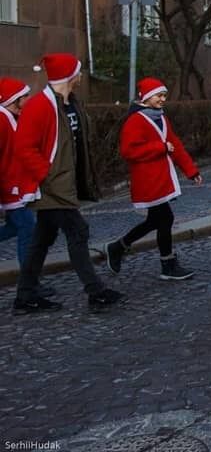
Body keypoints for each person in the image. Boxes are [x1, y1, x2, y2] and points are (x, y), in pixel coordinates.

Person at [12, 54, 124, 313]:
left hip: (63, 182)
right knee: (78, 231)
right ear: (69, 76)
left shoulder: (71, 103)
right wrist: (47, 175)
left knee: (42, 238)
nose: (81, 76)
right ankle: (95, 291)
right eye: (78, 71)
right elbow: (24, 147)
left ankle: (25, 294)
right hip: (53, 185)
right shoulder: (40, 106)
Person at [106, 78, 202, 280]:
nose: (162, 99)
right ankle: (167, 264)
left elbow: (175, 144)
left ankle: (118, 247)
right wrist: (160, 147)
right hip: (148, 180)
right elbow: (129, 151)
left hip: (160, 178)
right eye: (159, 95)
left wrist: (191, 171)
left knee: (156, 220)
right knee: (165, 218)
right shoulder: (136, 120)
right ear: (147, 97)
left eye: (164, 95)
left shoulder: (161, 117)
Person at [0, 78, 35, 269]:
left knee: (15, 227)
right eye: (25, 96)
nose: (29, 99)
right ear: (15, 99)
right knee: (28, 228)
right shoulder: (2, 119)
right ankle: (29, 282)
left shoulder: (12, 117)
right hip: (10, 187)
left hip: (16, 186)